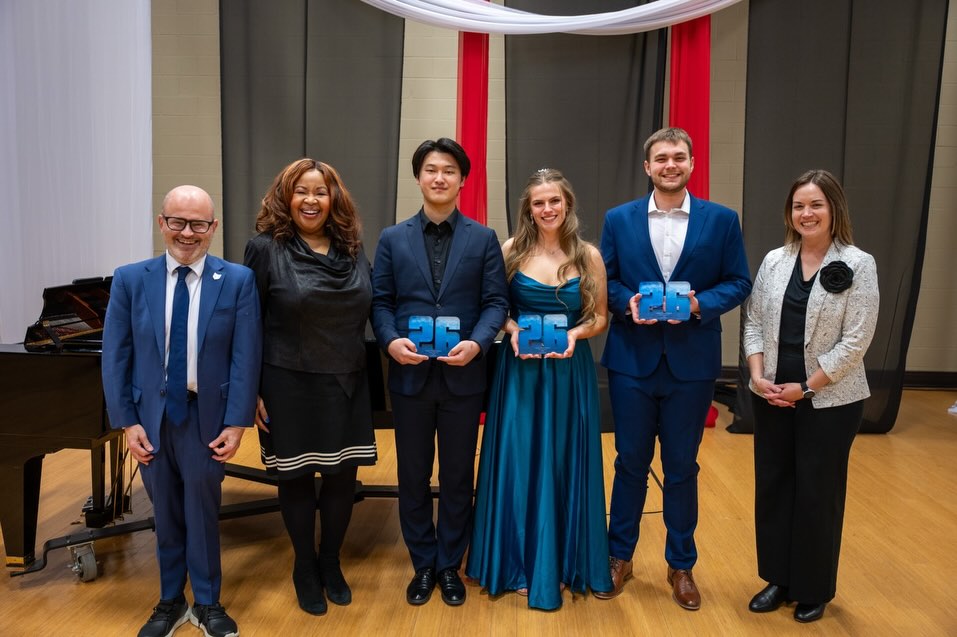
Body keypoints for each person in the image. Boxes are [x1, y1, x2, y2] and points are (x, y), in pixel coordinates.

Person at [597, 127, 751, 609]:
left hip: (692, 363)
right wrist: (629, 302)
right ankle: (618, 555)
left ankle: (681, 564)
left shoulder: (722, 220)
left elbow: (738, 281)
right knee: (629, 464)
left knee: (682, 468)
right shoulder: (618, 219)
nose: (670, 164)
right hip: (632, 361)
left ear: (691, 164)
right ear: (647, 167)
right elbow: (607, 278)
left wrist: (700, 304)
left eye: (678, 157)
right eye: (660, 158)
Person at [102, 185, 262, 637]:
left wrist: (237, 421)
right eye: (177, 222)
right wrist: (128, 421)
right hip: (150, 420)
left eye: (197, 224)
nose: (186, 233)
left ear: (213, 229)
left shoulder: (236, 280)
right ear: (162, 223)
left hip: (204, 418)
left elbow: (245, 356)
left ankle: (208, 602)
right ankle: (170, 600)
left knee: (202, 509)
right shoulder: (131, 279)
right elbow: (116, 356)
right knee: (166, 512)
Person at [465, 168, 613, 610]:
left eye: (554, 201)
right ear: (527, 209)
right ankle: (516, 560)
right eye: (538, 203)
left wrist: (575, 335)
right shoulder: (510, 250)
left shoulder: (588, 256)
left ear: (567, 204)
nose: (547, 209)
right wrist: (511, 330)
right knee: (519, 458)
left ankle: (564, 563)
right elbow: (494, 307)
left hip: (568, 371)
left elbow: (601, 316)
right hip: (521, 370)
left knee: (565, 460)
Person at [371, 138, 509, 607]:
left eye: (449, 170)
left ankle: (450, 564)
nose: (439, 178)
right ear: (418, 177)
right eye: (431, 169)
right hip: (409, 376)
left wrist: (478, 342)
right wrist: (390, 341)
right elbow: (381, 302)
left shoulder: (483, 238)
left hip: (463, 376)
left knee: (456, 476)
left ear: (462, 179)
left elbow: (496, 302)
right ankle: (422, 563)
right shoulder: (392, 238)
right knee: (412, 475)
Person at [743, 169, 879, 623]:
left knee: (818, 492)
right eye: (799, 205)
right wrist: (759, 377)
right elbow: (754, 323)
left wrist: (806, 387)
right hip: (772, 394)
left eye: (816, 204)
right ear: (790, 212)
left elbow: (856, 341)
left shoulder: (859, 264)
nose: (807, 213)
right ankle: (778, 579)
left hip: (829, 401)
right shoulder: (774, 261)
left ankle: (813, 587)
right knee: (775, 486)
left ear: (834, 209)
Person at [243, 159, 377, 616]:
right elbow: (248, 324)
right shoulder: (264, 249)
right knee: (296, 480)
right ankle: (304, 566)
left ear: (333, 199)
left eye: (320, 192)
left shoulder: (353, 248)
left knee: (342, 480)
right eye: (301, 191)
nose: (311, 200)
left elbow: (371, 308)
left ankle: (330, 561)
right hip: (286, 382)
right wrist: (252, 390)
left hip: (346, 380)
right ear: (286, 197)